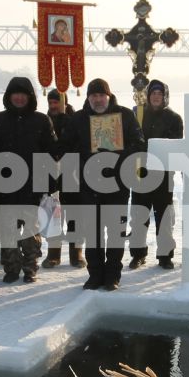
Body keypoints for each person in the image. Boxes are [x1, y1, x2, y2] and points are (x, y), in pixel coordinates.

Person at [60, 78, 139, 290]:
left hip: (117, 184)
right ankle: (94, 275)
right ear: (88, 98)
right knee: (93, 232)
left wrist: (119, 156)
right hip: (88, 185)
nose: (97, 99)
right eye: (93, 95)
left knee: (115, 232)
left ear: (108, 95)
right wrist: (85, 155)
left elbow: (139, 144)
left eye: (101, 95)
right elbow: (65, 147)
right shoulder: (78, 119)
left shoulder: (125, 115)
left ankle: (113, 275)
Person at [0, 76, 58, 285]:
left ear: (30, 97)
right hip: (4, 186)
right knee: (8, 231)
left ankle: (30, 267)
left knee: (30, 232)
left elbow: (51, 151)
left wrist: (51, 183)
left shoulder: (41, 120)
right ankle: (11, 268)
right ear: (9, 96)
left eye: (23, 94)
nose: (19, 98)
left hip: (33, 186)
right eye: (15, 94)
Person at [130, 79, 182, 270]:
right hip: (140, 174)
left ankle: (165, 256)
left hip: (163, 176)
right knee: (138, 217)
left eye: (159, 94)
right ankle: (138, 254)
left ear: (165, 97)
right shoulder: (137, 114)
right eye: (153, 94)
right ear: (148, 95)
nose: (156, 97)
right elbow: (131, 140)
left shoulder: (174, 118)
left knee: (164, 218)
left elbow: (176, 146)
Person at [42, 88, 82, 269]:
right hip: (49, 174)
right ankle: (53, 255)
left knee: (74, 216)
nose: (53, 106)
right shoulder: (44, 120)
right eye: (50, 103)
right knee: (53, 215)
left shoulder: (74, 121)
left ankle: (76, 253)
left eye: (56, 102)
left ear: (63, 102)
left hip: (71, 173)